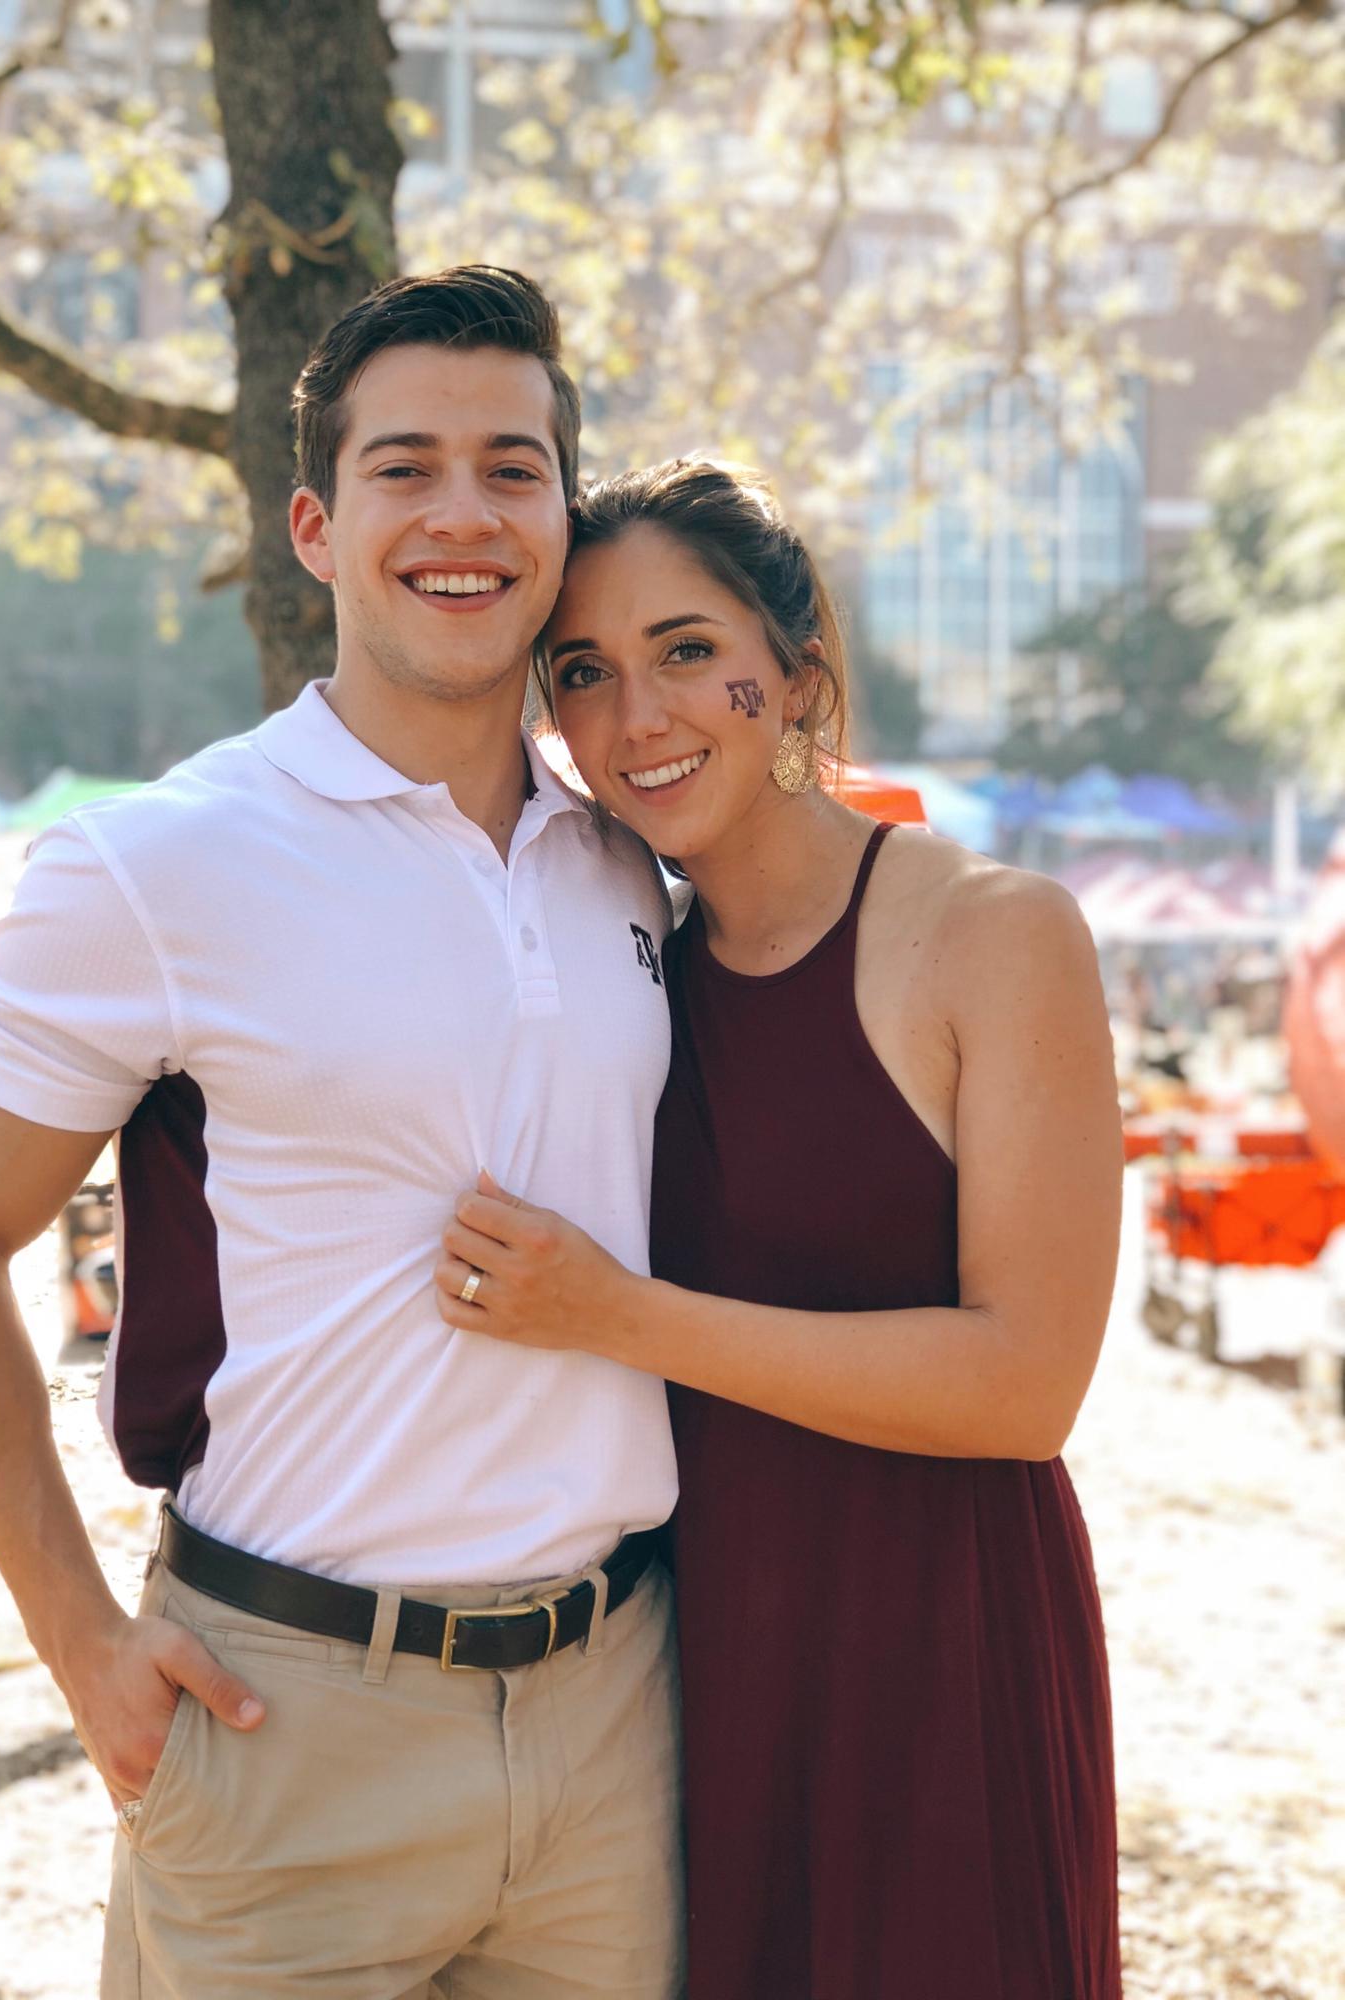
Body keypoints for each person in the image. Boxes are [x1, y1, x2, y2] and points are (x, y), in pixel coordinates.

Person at [0, 269, 684, 1999]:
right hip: (287, 1718)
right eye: (405, 468)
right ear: (315, 528)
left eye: (514, 469)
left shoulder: (633, 857)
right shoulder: (154, 865)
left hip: (619, 1714)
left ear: (564, 521)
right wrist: (78, 1637)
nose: (463, 515)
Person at [435, 459, 1125, 1999]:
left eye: (686, 650)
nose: (639, 717)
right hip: (698, 1664)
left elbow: (1029, 1385)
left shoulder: (996, 934)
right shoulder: (619, 985)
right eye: (583, 673)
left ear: (798, 674)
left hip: (943, 1640)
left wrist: (619, 1315)